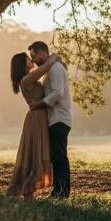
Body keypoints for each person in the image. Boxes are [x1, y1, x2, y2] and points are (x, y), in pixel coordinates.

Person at [6, 51, 61, 198]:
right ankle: (27, 190)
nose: (31, 60)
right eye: (28, 59)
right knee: (35, 153)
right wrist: (54, 56)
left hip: (39, 116)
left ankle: (28, 191)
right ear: (23, 65)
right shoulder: (26, 80)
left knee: (35, 152)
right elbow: (44, 68)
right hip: (37, 118)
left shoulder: (28, 79)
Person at [26, 41, 73, 198]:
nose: (33, 61)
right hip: (54, 118)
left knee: (59, 156)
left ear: (42, 53)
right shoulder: (49, 69)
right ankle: (58, 190)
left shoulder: (55, 68)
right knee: (56, 156)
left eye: (34, 56)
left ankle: (62, 192)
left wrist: (38, 104)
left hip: (59, 118)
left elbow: (57, 93)